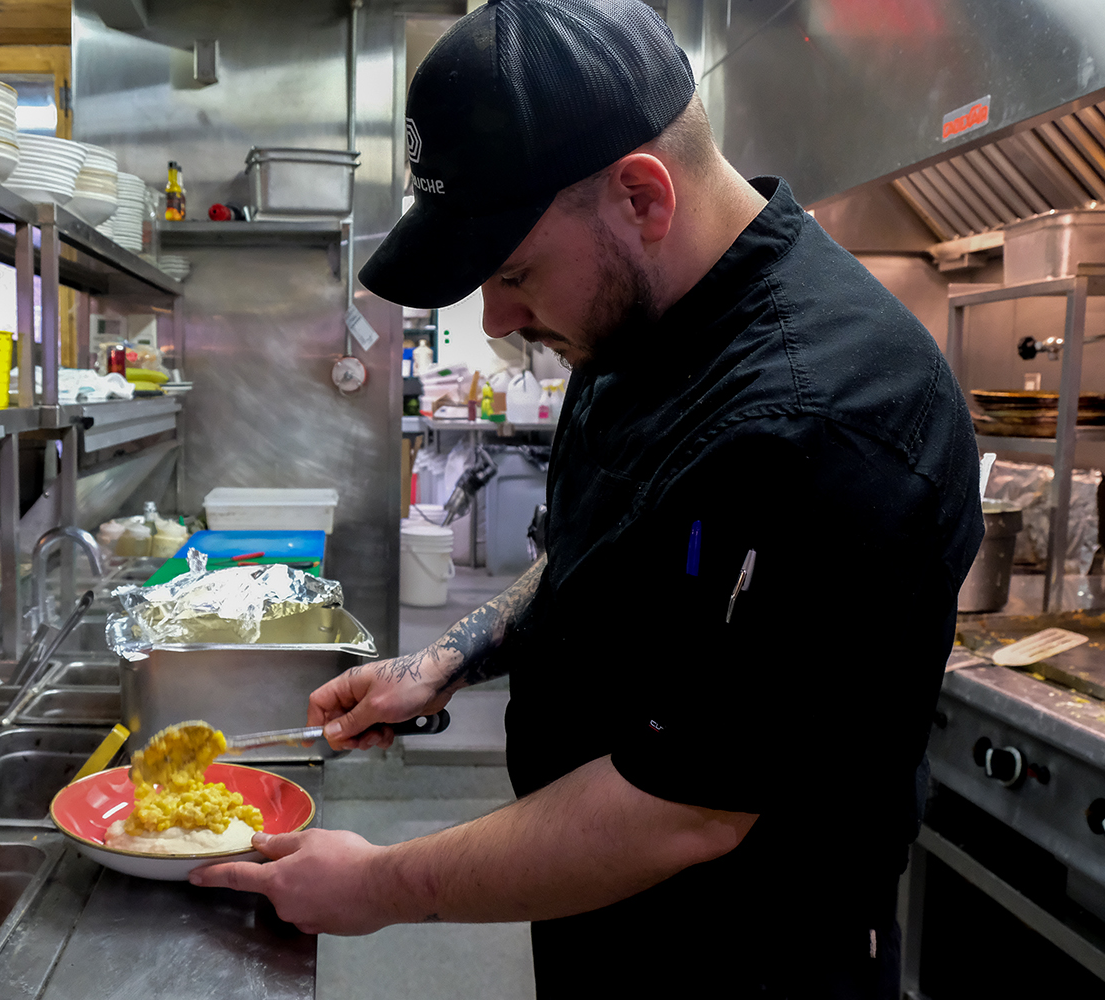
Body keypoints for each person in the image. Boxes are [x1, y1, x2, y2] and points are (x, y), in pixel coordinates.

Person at [193, 1, 983, 996]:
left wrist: (387, 884)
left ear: (641, 198)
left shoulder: (824, 422)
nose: (500, 316)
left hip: (743, 958)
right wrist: (446, 661)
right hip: (599, 917)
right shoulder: (638, 324)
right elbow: (600, 558)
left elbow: (685, 806)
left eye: (515, 272)